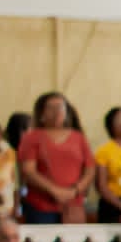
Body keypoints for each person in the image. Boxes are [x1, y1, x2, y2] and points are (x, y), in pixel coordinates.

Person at [18, 91, 96, 224]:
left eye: (61, 107)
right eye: (51, 108)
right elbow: (28, 170)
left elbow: (89, 169)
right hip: (41, 205)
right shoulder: (31, 138)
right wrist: (55, 191)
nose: (57, 111)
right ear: (42, 113)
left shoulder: (79, 138)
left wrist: (75, 190)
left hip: (73, 205)